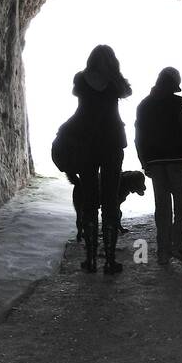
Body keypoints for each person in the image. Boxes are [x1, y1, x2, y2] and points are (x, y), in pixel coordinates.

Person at [63, 45, 132, 274]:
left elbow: (77, 95)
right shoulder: (115, 82)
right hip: (111, 144)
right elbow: (127, 91)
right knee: (110, 200)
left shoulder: (81, 80)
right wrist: (113, 73)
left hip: (86, 144)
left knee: (90, 200)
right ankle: (110, 261)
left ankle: (90, 259)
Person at [134, 66, 182, 264]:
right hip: (177, 160)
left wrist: (144, 162)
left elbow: (139, 138)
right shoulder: (178, 103)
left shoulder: (143, 105)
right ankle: (179, 246)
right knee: (181, 204)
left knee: (162, 207)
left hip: (155, 162)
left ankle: (163, 251)